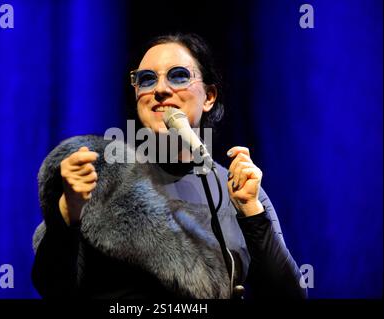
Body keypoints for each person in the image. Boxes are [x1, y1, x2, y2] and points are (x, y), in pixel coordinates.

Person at [31, 33, 307, 299]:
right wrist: (68, 213)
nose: (160, 89)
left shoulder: (239, 190)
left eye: (178, 76)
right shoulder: (100, 175)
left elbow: (289, 296)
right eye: (147, 79)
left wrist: (251, 212)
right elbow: (53, 288)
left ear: (209, 97)